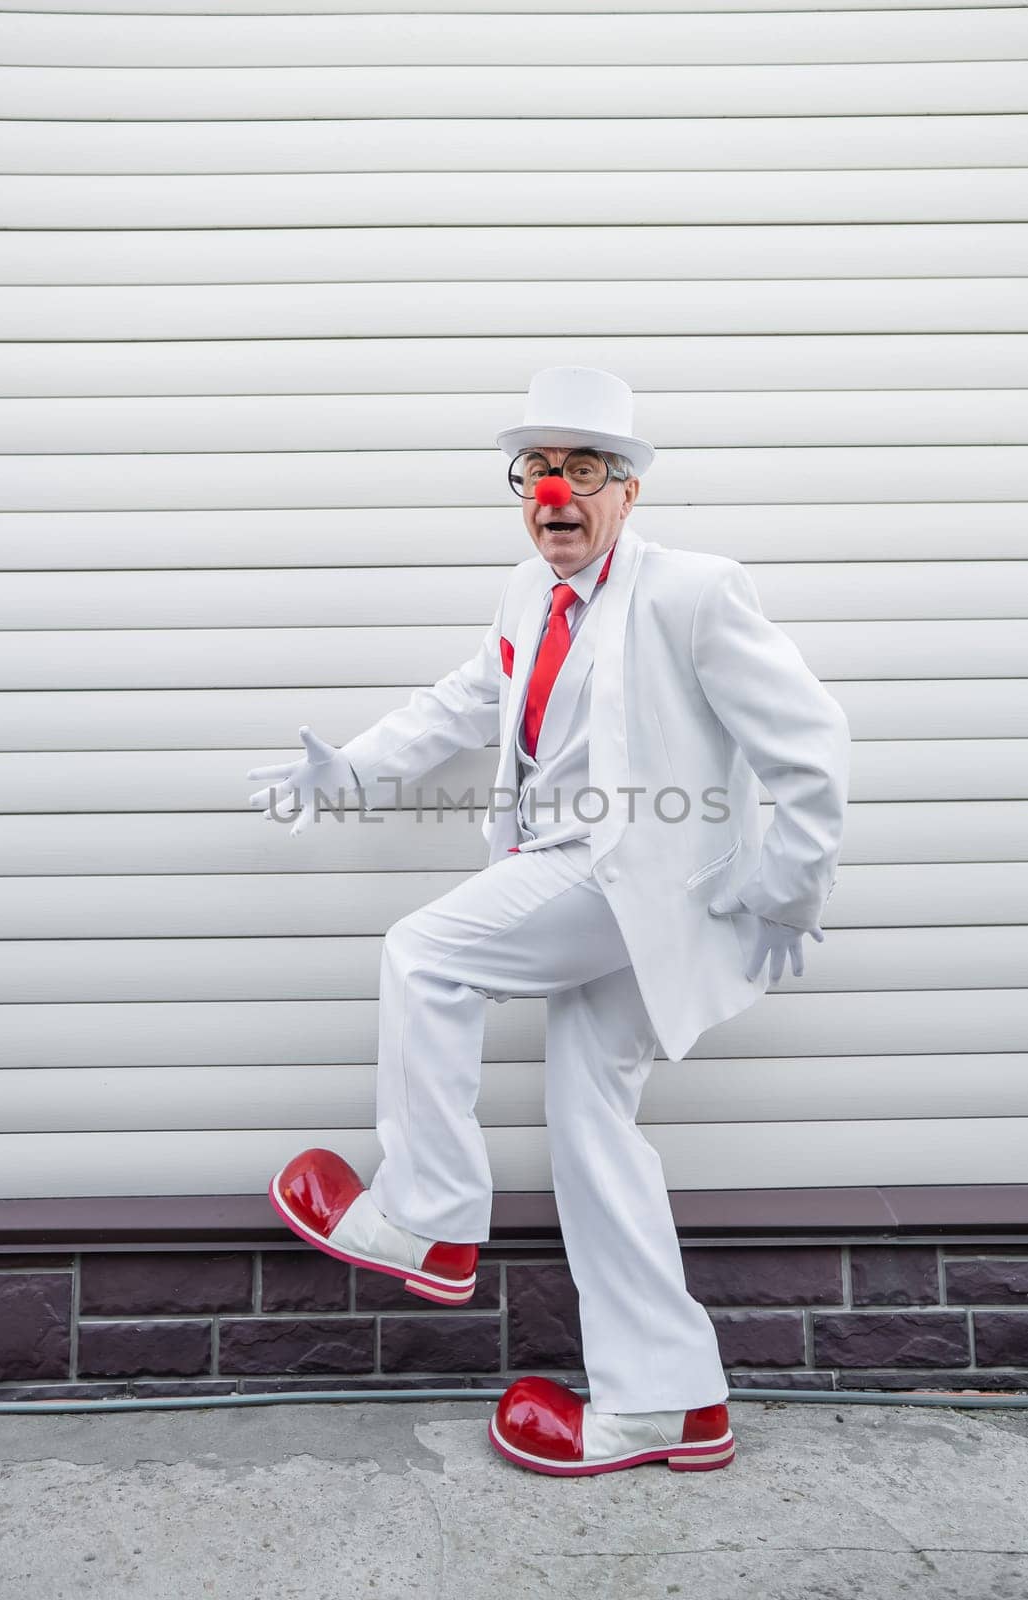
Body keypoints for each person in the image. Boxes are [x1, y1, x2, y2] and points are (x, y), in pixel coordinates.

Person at [247, 366, 851, 1476]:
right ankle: (670, 1400)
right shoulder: (527, 597)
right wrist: (350, 776)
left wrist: (788, 880)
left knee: (425, 953)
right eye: (537, 472)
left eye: (583, 471)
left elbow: (811, 743)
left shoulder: (693, 592)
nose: (555, 494)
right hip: (573, 879)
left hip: (629, 879)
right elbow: (465, 704)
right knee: (590, 1133)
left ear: (628, 491)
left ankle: (427, 1214)